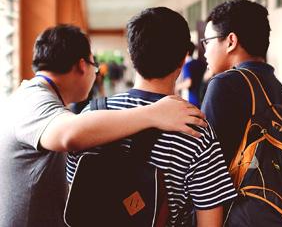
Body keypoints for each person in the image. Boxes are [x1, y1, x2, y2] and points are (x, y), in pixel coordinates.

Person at [0, 24, 206, 227]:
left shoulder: (31, 96)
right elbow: (69, 134)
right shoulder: (33, 100)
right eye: (94, 65)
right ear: (82, 65)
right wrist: (154, 113)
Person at [67, 7, 237, 227]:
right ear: (182, 60)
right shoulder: (196, 130)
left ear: (131, 53)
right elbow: (210, 223)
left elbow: (75, 197)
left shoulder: (90, 119)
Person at [201, 0, 282, 226]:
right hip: (278, 214)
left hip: (236, 216)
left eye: (208, 41)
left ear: (231, 41)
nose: (204, 51)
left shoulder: (224, 85)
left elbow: (207, 170)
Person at [175, 42, 206, 108]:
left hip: (191, 101)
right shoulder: (201, 63)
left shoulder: (187, 65)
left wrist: (176, 87)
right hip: (203, 98)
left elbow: (188, 83)